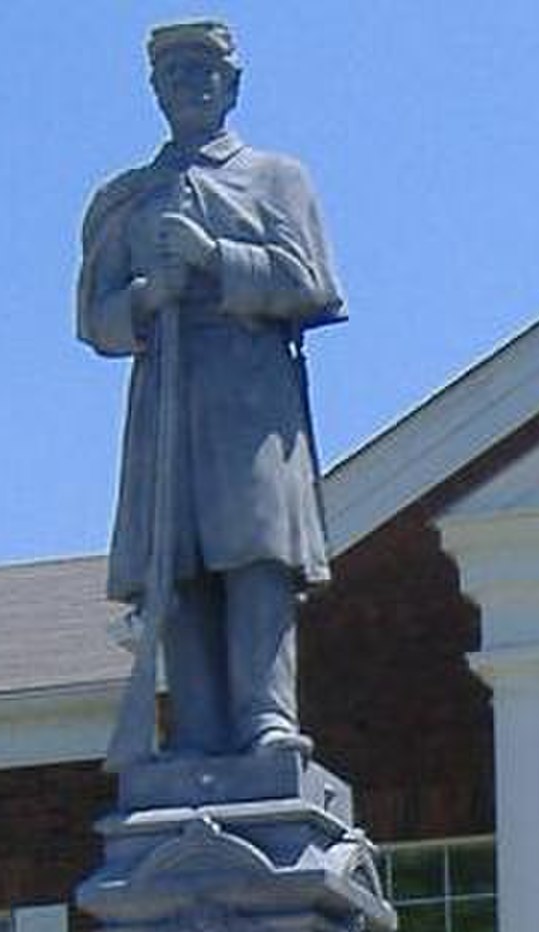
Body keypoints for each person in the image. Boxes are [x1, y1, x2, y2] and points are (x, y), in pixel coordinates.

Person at [78, 20, 345, 759]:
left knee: (256, 550)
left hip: (249, 389)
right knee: (177, 561)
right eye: (175, 74)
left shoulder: (276, 178)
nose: (190, 84)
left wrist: (214, 256)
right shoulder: (126, 198)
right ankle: (196, 726)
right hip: (165, 386)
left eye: (205, 71)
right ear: (155, 91)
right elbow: (94, 320)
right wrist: (142, 295)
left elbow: (311, 284)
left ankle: (267, 717)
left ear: (232, 85)